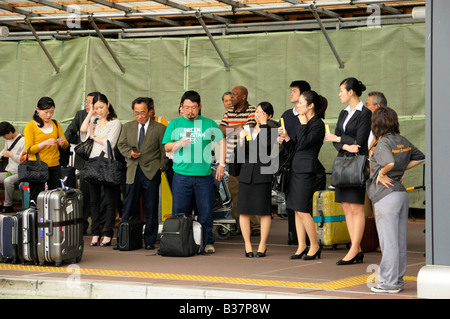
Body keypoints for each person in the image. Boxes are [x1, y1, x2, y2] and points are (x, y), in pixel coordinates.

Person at [366, 106, 424, 293]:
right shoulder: (401, 140)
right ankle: (397, 280)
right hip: (400, 193)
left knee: (388, 241)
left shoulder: (382, 143)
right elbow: (420, 157)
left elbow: (389, 162)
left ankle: (389, 283)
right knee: (399, 241)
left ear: (377, 123)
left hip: (386, 195)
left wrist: (383, 172)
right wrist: (399, 171)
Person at [163, 90, 226, 254]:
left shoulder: (208, 123)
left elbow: (222, 140)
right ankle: (179, 242)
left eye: (193, 107)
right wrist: (178, 143)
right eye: (186, 107)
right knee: (179, 213)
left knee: (205, 212)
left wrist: (221, 163)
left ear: (199, 107)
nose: (190, 110)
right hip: (181, 176)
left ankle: (207, 243)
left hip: (203, 177)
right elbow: (166, 146)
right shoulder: (175, 124)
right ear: (181, 107)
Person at [325, 77, 372, 265]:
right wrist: (343, 144)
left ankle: (354, 249)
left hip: (356, 164)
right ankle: (356, 248)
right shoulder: (343, 113)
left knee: (356, 207)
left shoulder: (365, 113)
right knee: (346, 206)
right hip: (343, 162)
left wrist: (338, 139)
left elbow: (359, 142)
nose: (339, 94)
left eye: (342, 90)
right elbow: (337, 141)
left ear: (351, 92)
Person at [279, 91, 328, 260]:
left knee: (303, 209)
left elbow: (305, 143)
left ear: (310, 106)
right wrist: (286, 138)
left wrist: (301, 124)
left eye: (300, 103)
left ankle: (314, 245)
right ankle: (301, 246)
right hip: (296, 167)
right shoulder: (305, 122)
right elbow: (296, 146)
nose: (297, 105)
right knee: (295, 209)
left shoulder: (317, 124)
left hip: (307, 170)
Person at [117, 97, 170, 250]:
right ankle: (123, 238)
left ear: (150, 111)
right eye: (136, 113)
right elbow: (121, 145)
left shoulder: (159, 128)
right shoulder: (128, 127)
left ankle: (149, 240)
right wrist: (129, 153)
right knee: (128, 205)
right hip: (133, 170)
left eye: (143, 113)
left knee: (151, 206)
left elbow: (164, 152)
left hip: (151, 171)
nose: (140, 116)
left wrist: (160, 167)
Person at [237, 102, 279, 258]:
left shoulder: (272, 130)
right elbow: (241, 155)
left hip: (263, 173)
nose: (258, 114)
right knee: (244, 210)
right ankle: (247, 244)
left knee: (264, 211)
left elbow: (266, 148)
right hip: (247, 173)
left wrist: (264, 125)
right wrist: (241, 141)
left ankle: (262, 244)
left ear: (269, 116)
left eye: (262, 112)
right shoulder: (247, 129)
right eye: (257, 111)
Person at [80, 93, 122, 247]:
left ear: (108, 105)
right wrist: (90, 113)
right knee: (94, 201)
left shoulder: (115, 122)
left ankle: (108, 232)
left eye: (101, 107)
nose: (99, 110)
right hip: (93, 163)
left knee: (110, 201)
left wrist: (93, 136)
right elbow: (83, 132)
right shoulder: (94, 120)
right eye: (96, 108)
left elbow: (109, 144)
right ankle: (96, 232)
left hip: (108, 163)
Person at [219, 86, 258, 234]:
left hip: (249, 158)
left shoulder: (253, 110)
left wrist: (232, 129)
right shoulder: (229, 112)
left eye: (235, 95)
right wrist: (240, 127)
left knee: (251, 191)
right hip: (231, 158)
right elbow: (220, 130)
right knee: (234, 192)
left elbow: (249, 130)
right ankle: (236, 223)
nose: (231, 98)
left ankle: (255, 225)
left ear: (243, 97)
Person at [279, 80, 313, 245]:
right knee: (290, 202)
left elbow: (303, 143)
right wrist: (281, 138)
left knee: (303, 203)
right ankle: (294, 235)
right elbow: (284, 139)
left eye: (294, 91)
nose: (291, 94)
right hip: (288, 163)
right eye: (291, 90)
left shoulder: (311, 117)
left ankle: (309, 239)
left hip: (303, 164)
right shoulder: (286, 115)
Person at [62, 92, 100, 234]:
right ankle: (82, 225)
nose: (87, 104)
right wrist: (64, 142)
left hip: (99, 161)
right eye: (87, 101)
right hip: (83, 160)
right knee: (83, 193)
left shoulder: (104, 116)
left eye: (91, 101)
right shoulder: (80, 115)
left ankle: (99, 226)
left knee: (98, 195)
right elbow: (70, 131)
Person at [24, 97, 69, 205]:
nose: (49, 115)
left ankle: (54, 220)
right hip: (38, 166)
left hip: (55, 165)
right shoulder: (31, 126)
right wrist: (44, 143)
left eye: (51, 112)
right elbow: (29, 149)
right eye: (46, 112)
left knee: (56, 197)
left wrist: (62, 143)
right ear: (37, 110)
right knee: (36, 197)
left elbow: (66, 144)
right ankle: (36, 220)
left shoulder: (55, 123)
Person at [0, 122, 25, 213]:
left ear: (10, 132)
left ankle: (8, 206)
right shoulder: (8, 140)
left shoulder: (24, 141)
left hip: (20, 172)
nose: (4, 138)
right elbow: (4, 150)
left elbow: (23, 160)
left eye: (4, 135)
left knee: (8, 181)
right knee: (5, 178)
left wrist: (11, 155)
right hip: (9, 170)